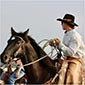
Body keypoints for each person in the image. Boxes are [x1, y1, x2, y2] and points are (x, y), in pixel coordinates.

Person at [49, 14, 85, 84]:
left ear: (65, 23)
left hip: (75, 61)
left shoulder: (75, 36)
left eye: (62, 23)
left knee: (71, 76)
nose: (61, 24)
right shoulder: (67, 34)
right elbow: (65, 49)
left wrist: (59, 44)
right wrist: (55, 45)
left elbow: (70, 52)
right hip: (67, 60)